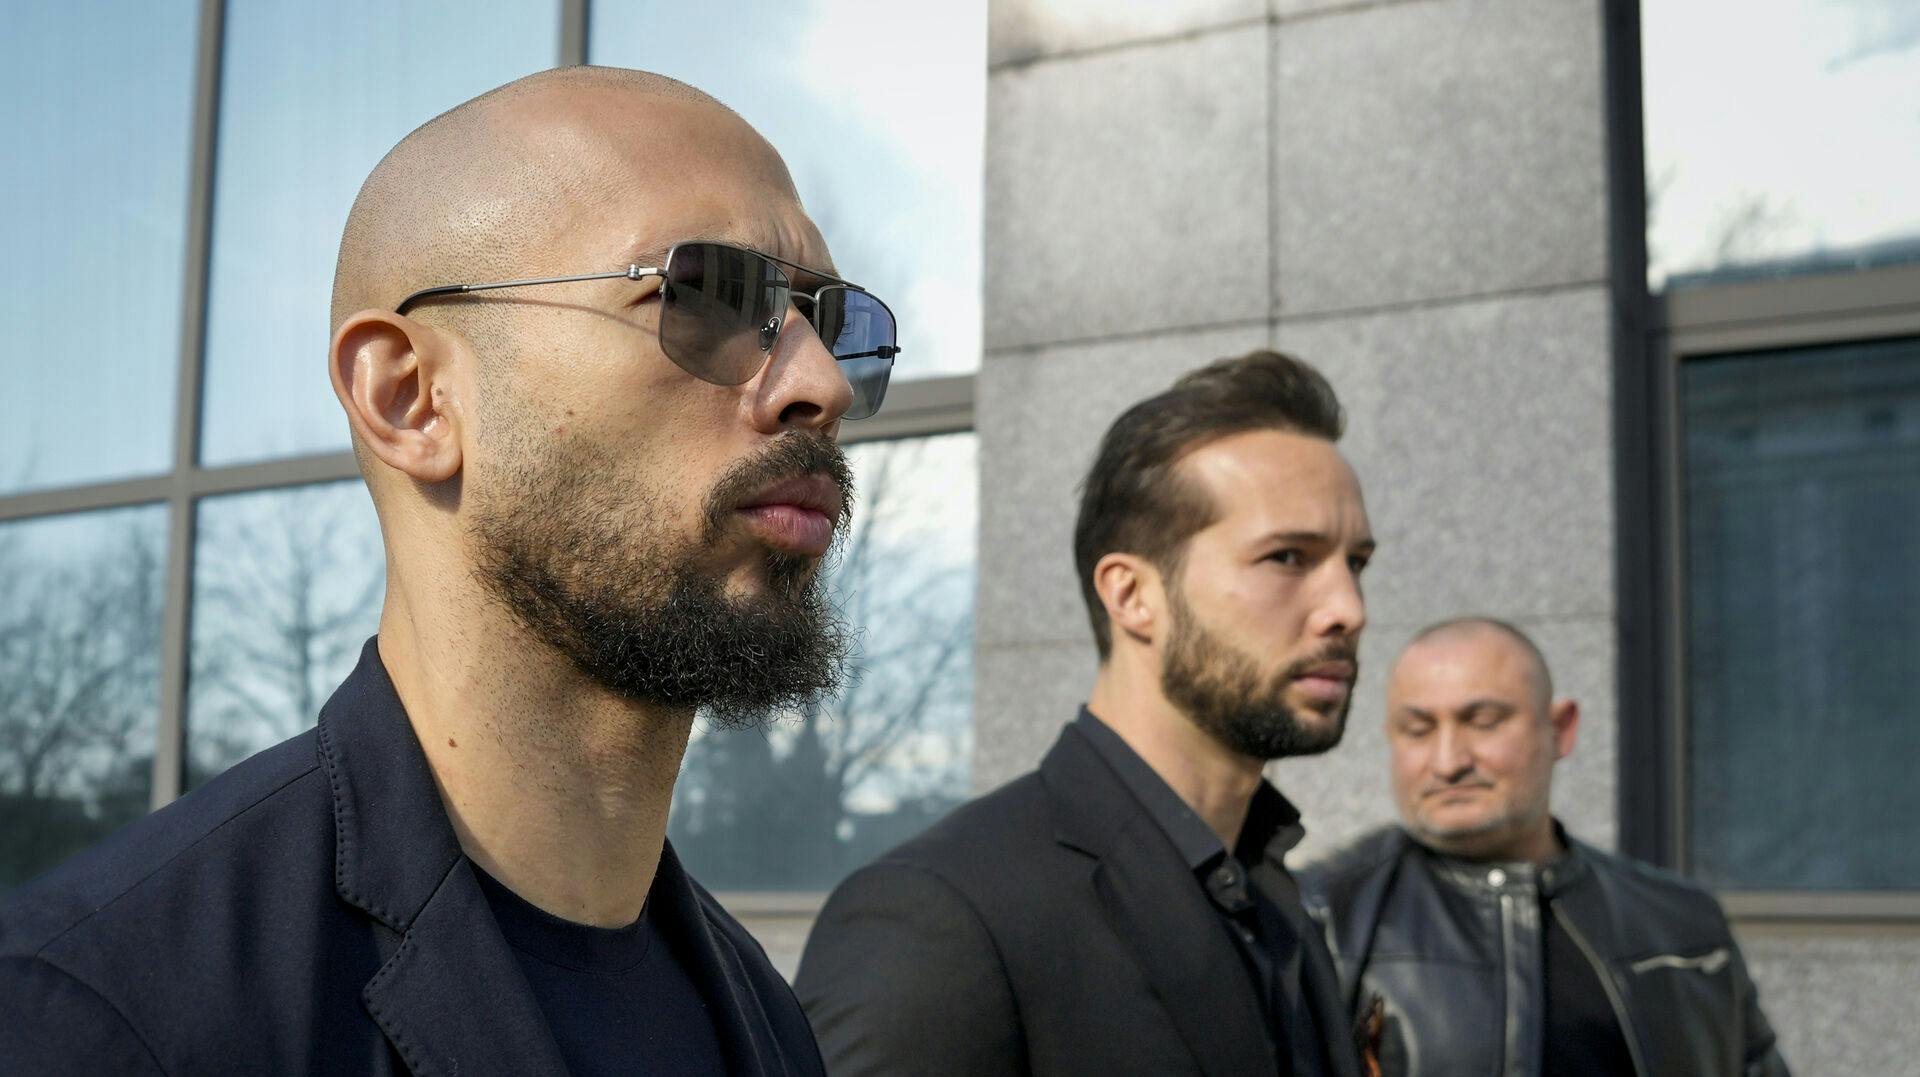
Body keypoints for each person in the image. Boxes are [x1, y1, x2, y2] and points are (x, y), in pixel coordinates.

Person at [0, 65, 901, 1075]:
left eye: (836, 323)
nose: (819, 383)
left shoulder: (767, 1028)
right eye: (709, 295)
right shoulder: (104, 1016)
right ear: (410, 399)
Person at [796, 351, 1374, 1076]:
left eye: (1356, 563)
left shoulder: (1277, 900)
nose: (1348, 609)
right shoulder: (943, 919)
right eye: (1289, 556)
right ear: (1133, 595)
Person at [1297, 618, 1790, 1077]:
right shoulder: (1321, 918)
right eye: (1419, 729)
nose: (1448, 762)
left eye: (1483, 720)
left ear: (1560, 729)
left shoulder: (1684, 925)